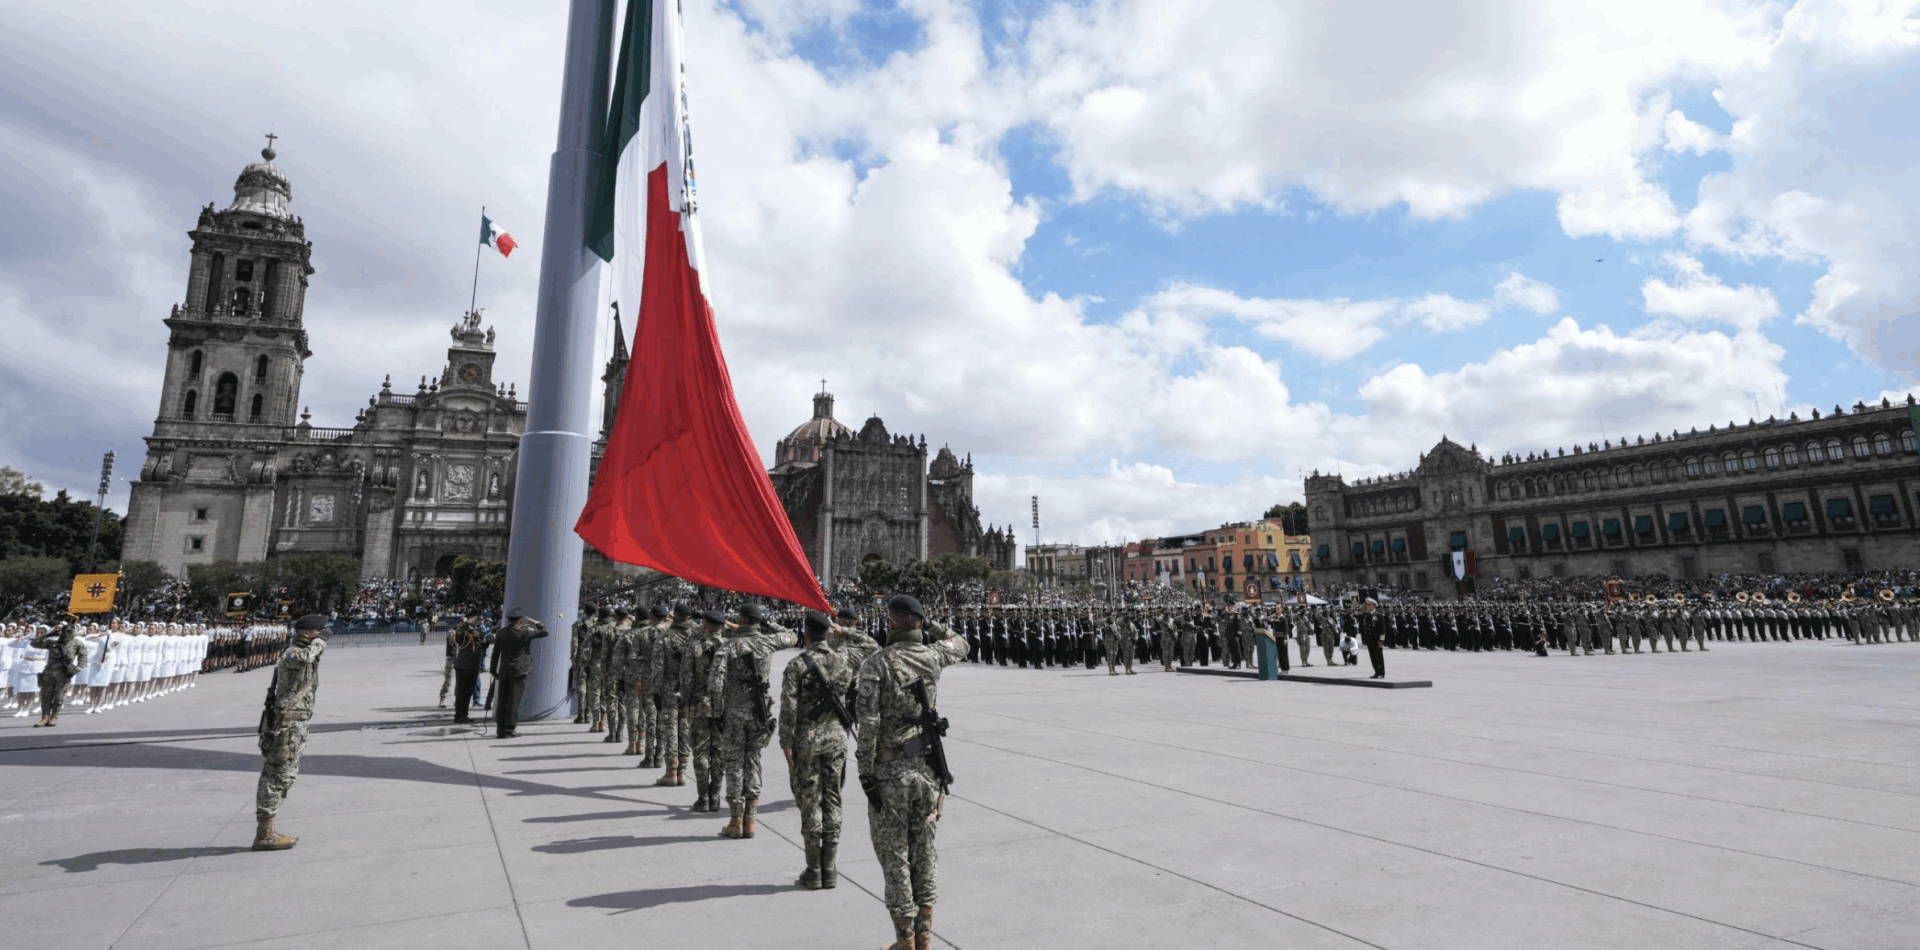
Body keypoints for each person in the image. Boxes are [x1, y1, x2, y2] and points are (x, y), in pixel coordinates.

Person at [856, 595, 967, 950]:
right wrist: (930, 624)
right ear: (918, 622)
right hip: (927, 772)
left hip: (890, 773)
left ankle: (905, 940)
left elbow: (868, 724)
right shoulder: (932, 655)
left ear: (891, 622)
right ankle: (925, 936)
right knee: (925, 851)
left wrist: (864, 773)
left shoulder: (877, 663)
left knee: (896, 857)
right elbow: (961, 643)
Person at [780, 609, 879, 889]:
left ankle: (814, 869)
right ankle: (831, 867)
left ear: (807, 634)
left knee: (811, 799)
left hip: (807, 740)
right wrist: (844, 631)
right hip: (836, 738)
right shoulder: (844, 658)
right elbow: (871, 645)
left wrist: (785, 743)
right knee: (833, 797)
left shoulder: (797, 665)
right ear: (828, 632)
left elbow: (789, 708)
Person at [711, 604, 798, 836]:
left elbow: (715, 682)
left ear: (740, 620)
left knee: (733, 763)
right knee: (753, 761)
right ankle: (751, 820)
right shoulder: (768, 642)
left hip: (734, 711)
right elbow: (794, 636)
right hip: (760, 713)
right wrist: (768, 624)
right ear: (758, 622)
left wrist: (717, 712)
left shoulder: (729, 646)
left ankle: (735, 820)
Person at [253, 614, 328, 851]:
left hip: (296, 722)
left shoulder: (302, 650)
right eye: (319, 630)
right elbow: (306, 657)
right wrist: (320, 642)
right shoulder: (293, 653)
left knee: (285, 774)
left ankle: (268, 830)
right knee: (278, 775)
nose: (323, 634)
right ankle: (264, 833)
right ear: (306, 632)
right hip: (287, 723)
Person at [491, 613, 549, 739]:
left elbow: (495, 653)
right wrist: (536, 622)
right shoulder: (525, 632)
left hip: (504, 670)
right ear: (519, 621)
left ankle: (500, 730)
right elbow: (544, 632)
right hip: (519, 671)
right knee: (513, 701)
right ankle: (509, 729)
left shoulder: (501, 633)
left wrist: (493, 670)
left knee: (502, 701)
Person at [30, 617, 88, 727]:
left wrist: (76, 669)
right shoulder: (53, 643)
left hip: (64, 674)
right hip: (49, 673)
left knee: (59, 698)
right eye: (65, 631)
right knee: (45, 697)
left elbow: (83, 658)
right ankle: (44, 718)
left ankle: (54, 717)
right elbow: (34, 643)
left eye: (70, 631)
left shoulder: (77, 643)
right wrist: (48, 635)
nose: (67, 633)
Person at [448, 614, 491, 724]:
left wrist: (480, 636)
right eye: (474, 622)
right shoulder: (461, 633)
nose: (476, 624)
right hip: (463, 666)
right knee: (462, 692)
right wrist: (467, 624)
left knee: (468, 692)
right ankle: (459, 716)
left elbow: (485, 644)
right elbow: (459, 633)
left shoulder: (475, 633)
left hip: (472, 666)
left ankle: (463, 715)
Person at [1359, 599, 1387, 679]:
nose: (1366, 606)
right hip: (1369, 639)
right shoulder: (1366, 615)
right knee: (1372, 657)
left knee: (1378, 656)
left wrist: (1381, 640)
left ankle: (1381, 673)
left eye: (1368, 605)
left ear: (1373, 605)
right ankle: (1376, 671)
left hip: (1377, 640)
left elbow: (1383, 630)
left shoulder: (1378, 615)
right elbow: (1356, 614)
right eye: (1366, 605)